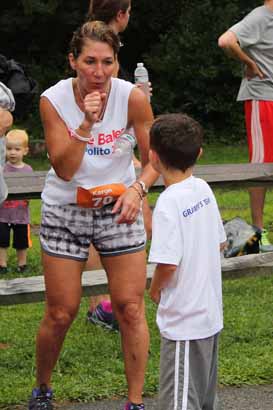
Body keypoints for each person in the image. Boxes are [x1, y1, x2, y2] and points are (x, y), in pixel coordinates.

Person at [28, 20, 158, 410]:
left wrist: (138, 189)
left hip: (119, 205)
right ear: (73, 61)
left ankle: (134, 403)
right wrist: (86, 124)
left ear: (118, 63)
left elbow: (155, 161)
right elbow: (65, 169)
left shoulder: (133, 98)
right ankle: (43, 389)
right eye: (89, 61)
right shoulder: (53, 100)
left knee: (130, 307)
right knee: (61, 311)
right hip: (66, 208)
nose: (99, 72)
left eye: (107, 62)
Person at [148, 113, 226, 410]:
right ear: (200, 154)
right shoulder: (203, 189)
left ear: (153, 157)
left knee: (179, 401)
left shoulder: (168, 202)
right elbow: (220, 241)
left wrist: (155, 290)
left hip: (184, 323)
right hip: (209, 315)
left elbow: (167, 264)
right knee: (205, 399)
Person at [85, 0, 152, 330]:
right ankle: (101, 302)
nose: (100, 68)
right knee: (97, 221)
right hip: (100, 152)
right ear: (121, 13)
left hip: (115, 148)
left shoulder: (93, 43)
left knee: (106, 221)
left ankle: (110, 300)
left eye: (107, 62)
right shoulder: (101, 45)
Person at [218, 0, 273, 252]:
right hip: (262, 98)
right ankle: (259, 234)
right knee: (261, 165)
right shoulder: (260, 16)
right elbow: (226, 41)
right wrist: (250, 64)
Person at [0, 129, 33, 274]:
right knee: (2, 241)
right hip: (2, 214)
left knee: (21, 242)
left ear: (25, 151)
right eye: (9, 149)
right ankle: (2, 264)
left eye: (17, 149)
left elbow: (31, 190)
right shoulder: (2, 169)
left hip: (21, 215)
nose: (12, 152)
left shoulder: (28, 170)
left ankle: (22, 264)